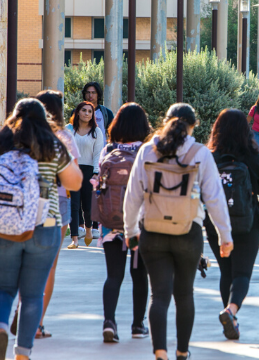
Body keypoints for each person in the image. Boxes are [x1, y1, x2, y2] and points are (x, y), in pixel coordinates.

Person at [0, 99, 82, 360]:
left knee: (1, 288)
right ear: (45, 119)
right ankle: (23, 353)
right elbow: (75, 183)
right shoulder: (52, 144)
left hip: (4, 228)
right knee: (32, 295)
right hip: (45, 225)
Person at [124, 103, 234, 360]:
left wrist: (130, 231)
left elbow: (133, 196)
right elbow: (215, 198)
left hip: (152, 230)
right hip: (188, 232)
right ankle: (182, 352)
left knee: (159, 295)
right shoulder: (200, 153)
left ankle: (160, 353)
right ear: (193, 125)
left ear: (166, 122)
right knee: (184, 294)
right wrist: (225, 236)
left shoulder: (148, 151)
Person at [206, 109, 259, 340]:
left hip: (215, 225)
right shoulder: (252, 155)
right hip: (247, 222)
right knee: (241, 274)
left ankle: (231, 318)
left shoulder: (210, 157)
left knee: (226, 272)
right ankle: (231, 311)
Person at [97, 103, 151, 343]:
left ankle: (109, 321)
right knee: (140, 275)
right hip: (140, 223)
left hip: (111, 223)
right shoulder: (147, 151)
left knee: (113, 275)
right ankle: (138, 325)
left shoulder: (108, 149)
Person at [31, 90, 81, 339]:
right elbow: (73, 177)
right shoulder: (63, 137)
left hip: (27, 204)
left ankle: (23, 309)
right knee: (49, 263)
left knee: (26, 259)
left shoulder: (25, 136)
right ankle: (37, 322)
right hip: (55, 205)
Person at [66, 101, 105, 248]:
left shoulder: (97, 132)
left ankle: (89, 229)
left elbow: (98, 155)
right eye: (84, 110)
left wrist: (96, 173)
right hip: (72, 170)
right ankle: (74, 239)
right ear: (78, 112)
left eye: (90, 111)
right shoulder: (68, 129)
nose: (87, 113)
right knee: (74, 205)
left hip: (89, 171)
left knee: (88, 206)